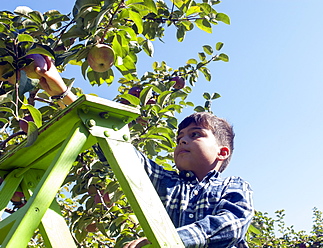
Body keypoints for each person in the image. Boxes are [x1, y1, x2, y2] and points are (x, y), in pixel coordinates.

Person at [35, 56, 254, 248]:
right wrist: (63, 94)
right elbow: (113, 146)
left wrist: (166, 240)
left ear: (222, 152)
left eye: (195, 134)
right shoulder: (166, 181)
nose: (183, 141)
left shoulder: (232, 185)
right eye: (179, 138)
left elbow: (232, 223)